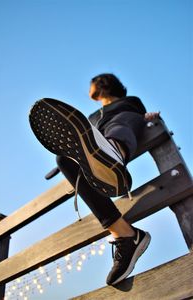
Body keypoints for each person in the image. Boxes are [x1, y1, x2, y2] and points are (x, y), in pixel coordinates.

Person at [41, 73, 159, 285]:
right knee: (64, 159)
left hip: (124, 129)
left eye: (91, 84)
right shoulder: (94, 117)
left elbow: (138, 118)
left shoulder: (130, 103)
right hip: (100, 142)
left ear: (102, 84)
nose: (88, 89)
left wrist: (148, 117)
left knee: (122, 122)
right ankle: (125, 234)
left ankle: (112, 155)